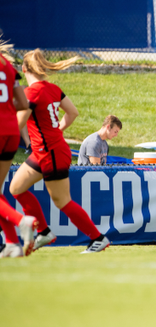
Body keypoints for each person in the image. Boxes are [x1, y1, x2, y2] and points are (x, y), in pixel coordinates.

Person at [9, 49, 110, 254]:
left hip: (51, 152)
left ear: (24, 68)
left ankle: (98, 239)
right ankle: (44, 231)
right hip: (46, 151)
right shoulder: (53, 88)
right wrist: (57, 131)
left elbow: (19, 121)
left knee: (62, 201)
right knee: (16, 188)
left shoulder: (31, 92)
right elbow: (73, 113)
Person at [0, 41, 38, 258]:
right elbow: (22, 104)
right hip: (11, 132)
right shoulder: (7, 65)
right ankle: (12, 243)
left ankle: (21, 221)